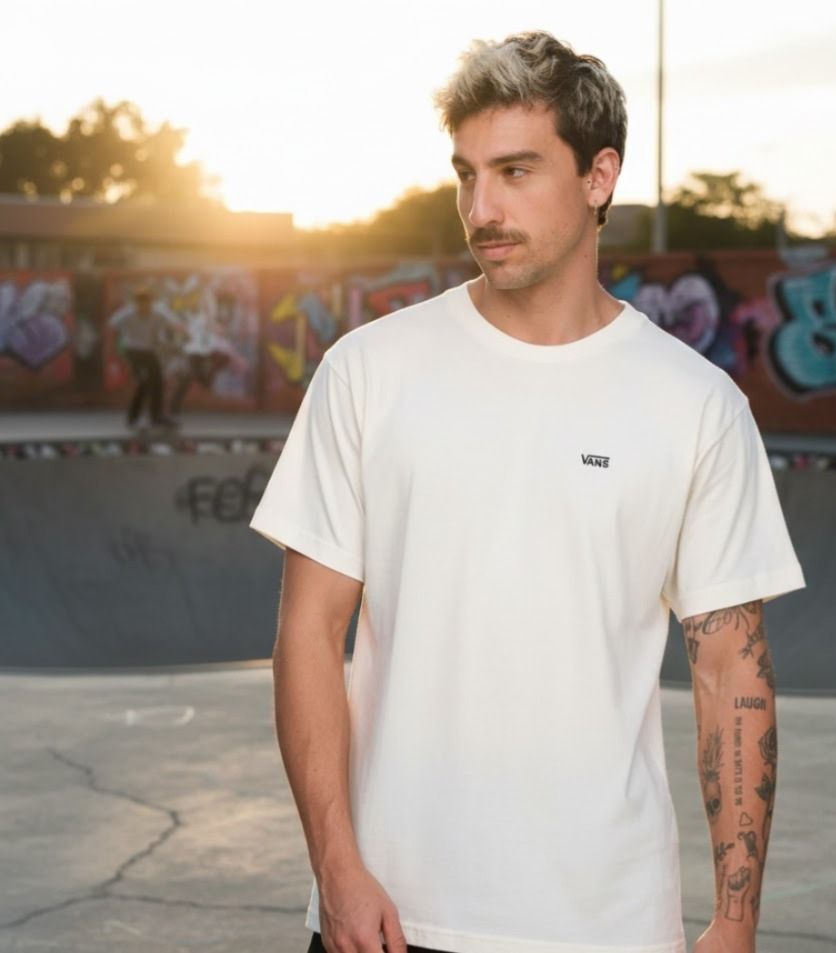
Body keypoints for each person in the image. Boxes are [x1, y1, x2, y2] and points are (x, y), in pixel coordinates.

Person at [249, 31, 805, 953]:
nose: (481, 208)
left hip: (604, 923)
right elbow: (307, 633)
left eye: (514, 171)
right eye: (465, 175)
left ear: (598, 177)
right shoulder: (368, 372)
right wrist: (336, 868)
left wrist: (735, 919)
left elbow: (729, 669)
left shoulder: (694, 404)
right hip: (386, 915)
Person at [109, 286, 181, 430]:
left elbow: (174, 324)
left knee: (157, 382)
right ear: (135, 304)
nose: (144, 309)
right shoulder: (126, 314)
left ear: (151, 304)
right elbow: (112, 326)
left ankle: (157, 417)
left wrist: (180, 336)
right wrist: (116, 349)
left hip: (149, 352)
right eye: (141, 306)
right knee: (143, 383)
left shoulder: (157, 313)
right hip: (133, 352)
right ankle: (133, 418)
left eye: (147, 306)